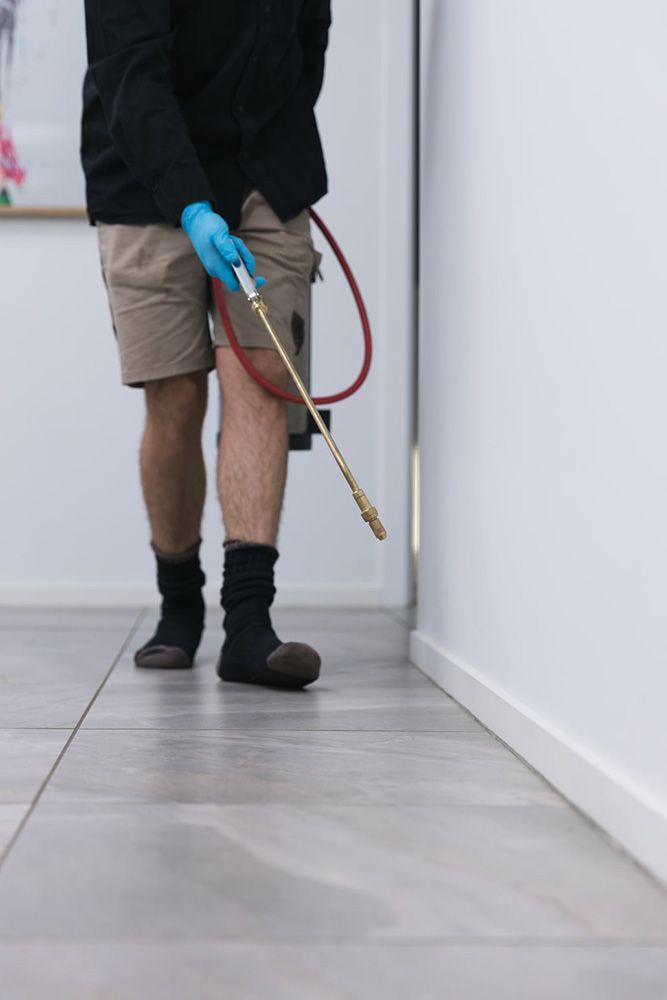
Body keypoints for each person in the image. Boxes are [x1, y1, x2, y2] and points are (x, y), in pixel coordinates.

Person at [81, 1, 331, 688]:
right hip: (143, 177)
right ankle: (179, 604)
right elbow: (129, 72)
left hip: (264, 179)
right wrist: (191, 201)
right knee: (176, 394)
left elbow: (308, 35)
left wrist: (265, 154)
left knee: (260, 379)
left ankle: (249, 623)